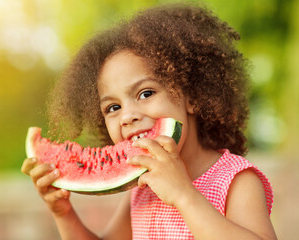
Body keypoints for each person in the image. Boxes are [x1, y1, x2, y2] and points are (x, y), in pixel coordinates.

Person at [21, 3, 277, 239]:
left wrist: (182, 194)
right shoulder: (142, 187)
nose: (127, 115)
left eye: (146, 93)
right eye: (112, 107)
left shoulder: (235, 180)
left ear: (192, 97)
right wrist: (63, 213)